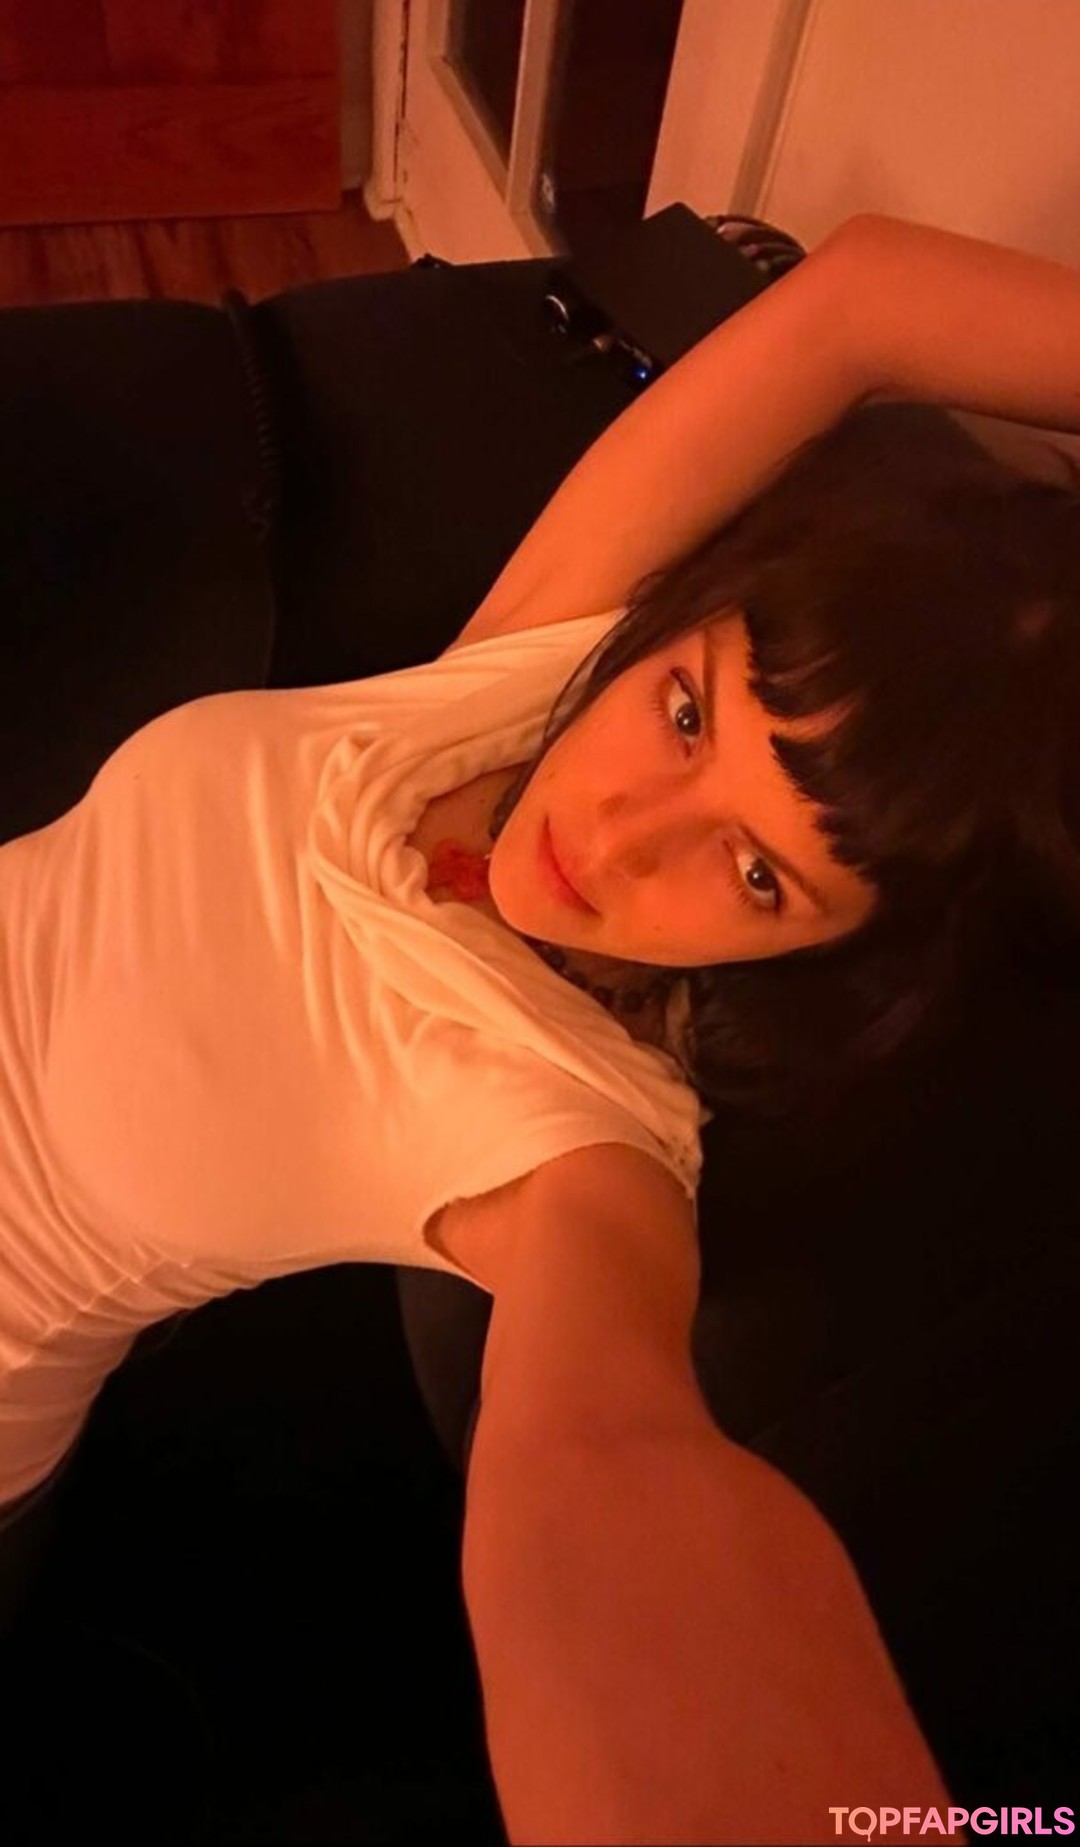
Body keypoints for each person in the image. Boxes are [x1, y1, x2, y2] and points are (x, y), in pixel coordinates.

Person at [1, 209, 1078, 1843]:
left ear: (838, 953)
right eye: (690, 712)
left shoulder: (577, 1139)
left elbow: (605, 1456)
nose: (623, 833)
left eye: (759, 873)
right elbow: (861, 303)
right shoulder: (528, 671)